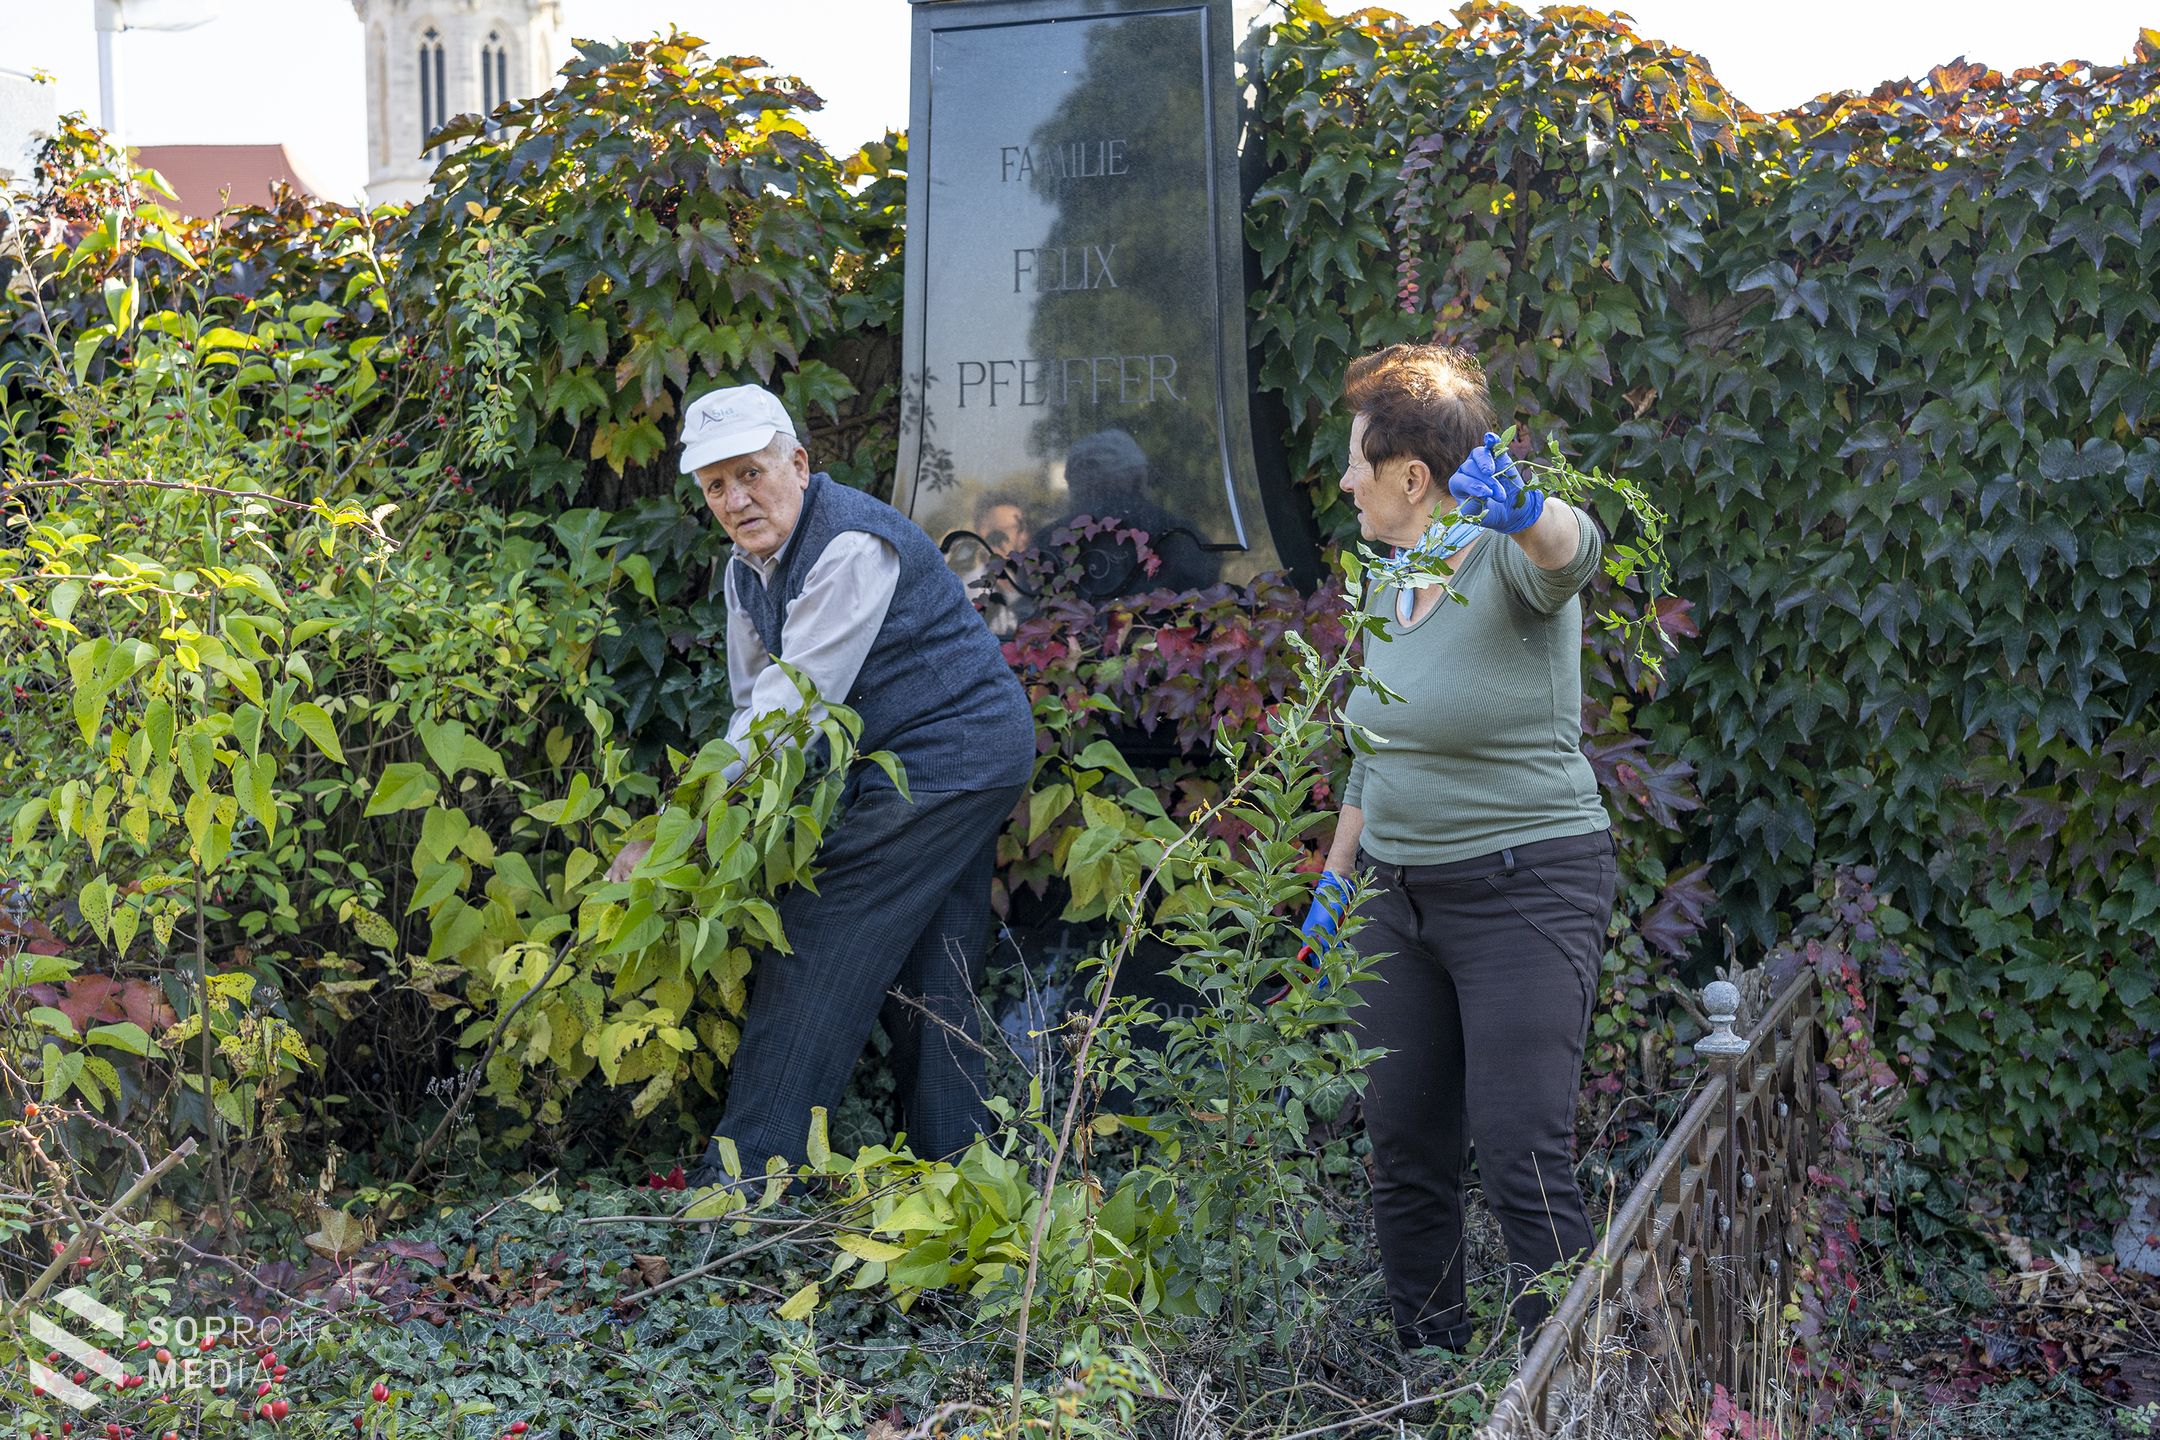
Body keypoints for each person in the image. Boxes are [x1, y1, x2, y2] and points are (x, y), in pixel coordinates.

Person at [607, 383, 1037, 1181]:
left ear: (798, 464)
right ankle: (965, 1178)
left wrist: (673, 832)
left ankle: (739, 1189)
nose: (736, 499)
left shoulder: (847, 548)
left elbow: (785, 716)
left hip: (957, 756)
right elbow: (750, 709)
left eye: (751, 474)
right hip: (914, 762)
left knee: (815, 932)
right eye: (715, 485)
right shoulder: (747, 575)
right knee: (932, 968)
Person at [1303, 343, 1617, 1354]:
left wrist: (1530, 515)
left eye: (1358, 461)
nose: (1346, 481)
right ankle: (1430, 1376)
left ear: (1409, 475)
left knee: (1521, 1154)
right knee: (1404, 1150)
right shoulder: (1389, 577)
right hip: (1398, 897)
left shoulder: (1502, 559)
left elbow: (1576, 553)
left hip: (1525, 888)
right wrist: (1334, 881)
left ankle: (1562, 1395)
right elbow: (1375, 749)